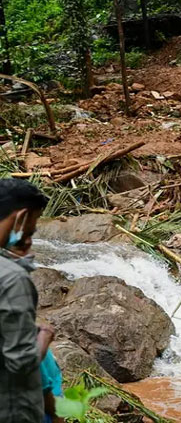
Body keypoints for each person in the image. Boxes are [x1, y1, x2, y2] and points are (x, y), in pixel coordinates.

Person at [0, 179, 56, 423]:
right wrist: (43, 336)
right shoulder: (11, 279)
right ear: (21, 217)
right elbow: (21, 363)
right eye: (30, 230)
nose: (29, 238)